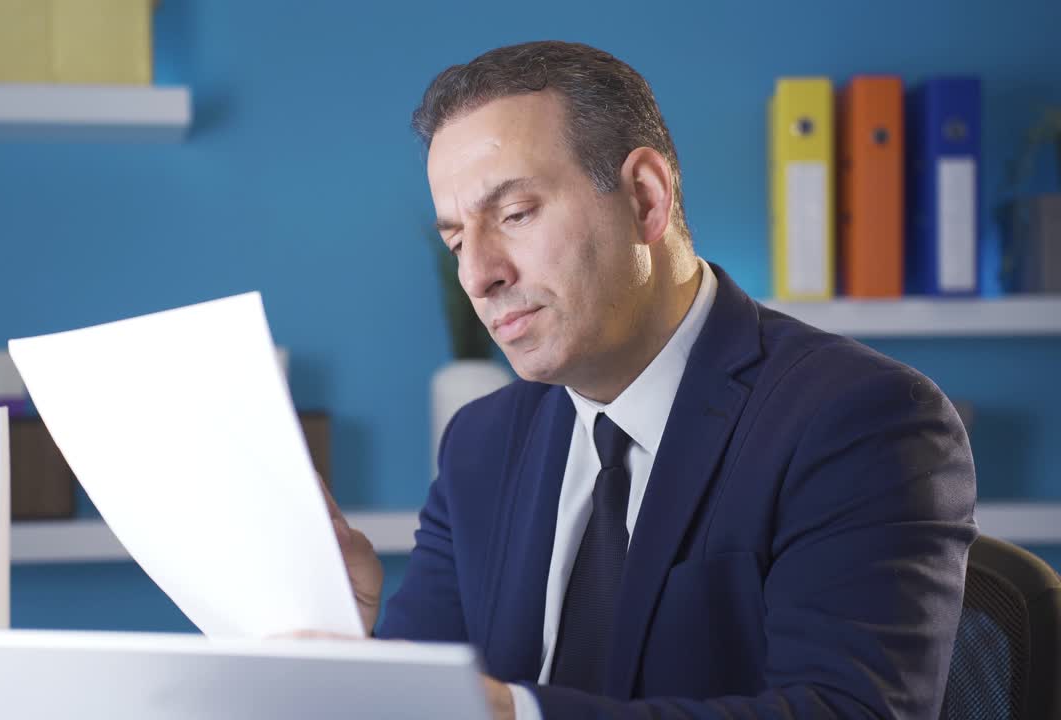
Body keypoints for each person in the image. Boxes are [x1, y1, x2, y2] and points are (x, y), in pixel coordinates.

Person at [322, 40, 977, 719]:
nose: (480, 275)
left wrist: (519, 714)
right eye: (457, 240)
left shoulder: (860, 418)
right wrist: (350, 637)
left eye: (515, 215)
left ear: (644, 198)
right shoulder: (481, 445)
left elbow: (851, 713)